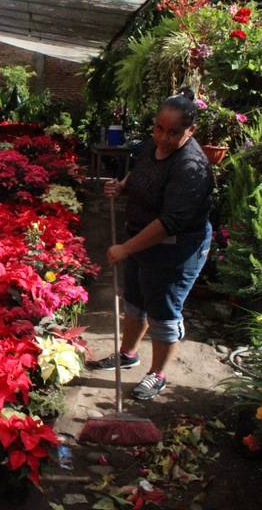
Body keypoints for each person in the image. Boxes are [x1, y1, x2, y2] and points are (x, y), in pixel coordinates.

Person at [91, 88, 214, 400]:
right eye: (159, 128)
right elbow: (142, 171)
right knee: (134, 300)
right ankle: (128, 354)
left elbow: (171, 222)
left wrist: (127, 248)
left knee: (163, 310)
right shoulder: (152, 144)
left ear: (191, 130)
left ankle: (157, 374)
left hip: (175, 248)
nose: (163, 137)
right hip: (141, 236)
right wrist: (122, 186)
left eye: (173, 132)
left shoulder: (191, 168)